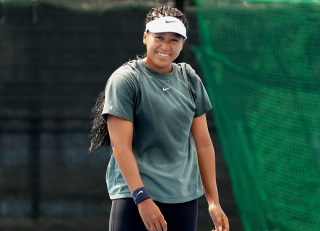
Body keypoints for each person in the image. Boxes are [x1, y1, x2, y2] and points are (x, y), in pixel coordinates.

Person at [89, 5, 229, 231]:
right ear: (145, 38)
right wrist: (142, 199)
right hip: (134, 197)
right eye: (159, 38)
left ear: (183, 43)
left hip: (183, 197)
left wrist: (213, 202)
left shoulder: (190, 79)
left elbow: (203, 143)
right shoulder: (126, 79)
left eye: (174, 40)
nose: (166, 46)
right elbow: (120, 146)